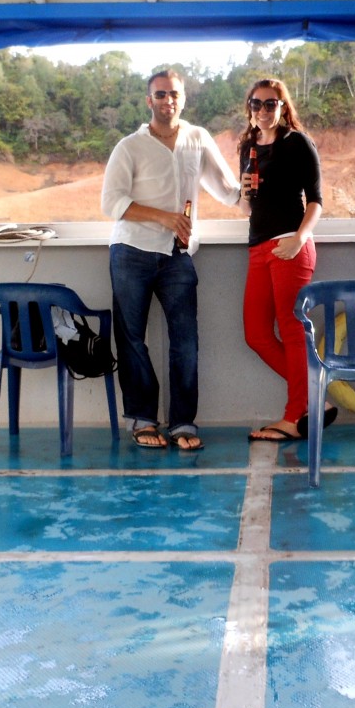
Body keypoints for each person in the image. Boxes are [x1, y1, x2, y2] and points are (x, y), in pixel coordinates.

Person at [101, 69, 241, 451]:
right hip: (131, 251)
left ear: (184, 97)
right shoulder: (129, 146)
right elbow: (111, 203)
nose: (168, 101)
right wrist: (164, 217)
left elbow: (230, 193)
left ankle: (183, 422)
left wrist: (263, 174)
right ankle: (143, 419)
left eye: (174, 94)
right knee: (131, 338)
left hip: (178, 256)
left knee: (186, 342)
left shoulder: (198, 139)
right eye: (160, 95)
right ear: (150, 101)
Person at [238, 77, 337, 443]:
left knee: (294, 333)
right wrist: (242, 193)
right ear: (249, 107)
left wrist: (299, 238)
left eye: (270, 104)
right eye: (256, 103)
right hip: (258, 248)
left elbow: (316, 199)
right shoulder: (248, 146)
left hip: (289, 246)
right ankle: (317, 397)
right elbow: (249, 205)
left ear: (283, 107)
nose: (262, 110)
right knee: (257, 334)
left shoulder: (297, 142)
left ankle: (295, 417)